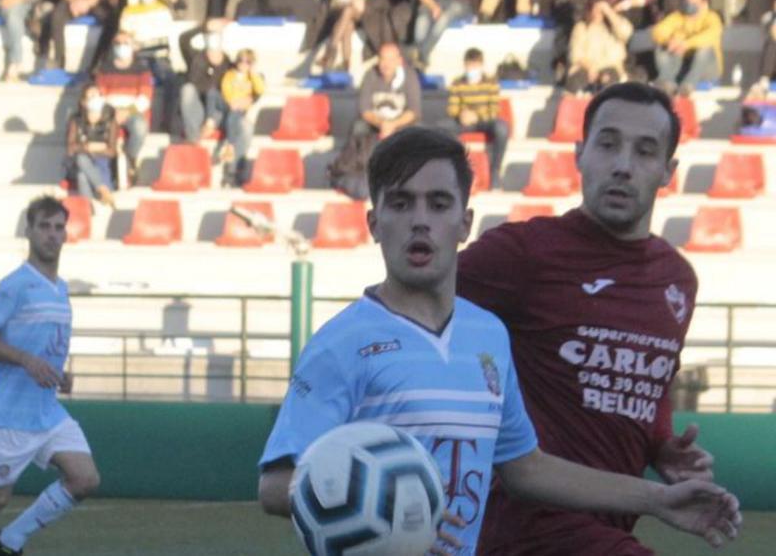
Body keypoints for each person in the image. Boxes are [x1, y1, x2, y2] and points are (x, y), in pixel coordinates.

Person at [257, 126, 743, 556]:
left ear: (465, 225)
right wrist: (383, 511)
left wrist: (657, 500)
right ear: (374, 224)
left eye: (439, 203)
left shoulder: (487, 334)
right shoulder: (342, 342)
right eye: (401, 203)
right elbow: (275, 484)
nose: (420, 220)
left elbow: (526, 468)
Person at [457, 82, 735, 555]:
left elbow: (651, 391)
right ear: (580, 153)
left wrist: (661, 446)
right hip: (525, 529)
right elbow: (412, 306)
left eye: (645, 152)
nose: (623, 165)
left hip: (611, 528)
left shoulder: (677, 281)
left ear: (669, 171)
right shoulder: (522, 253)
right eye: (608, 144)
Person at [0, 196, 100, 556]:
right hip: (11, 415)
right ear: (29, 232)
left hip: (47, 410)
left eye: (59, 227)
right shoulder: (15, 284)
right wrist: (25, 360)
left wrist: (60, 373)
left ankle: (10, 541)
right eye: (44, 226)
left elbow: (45, 344)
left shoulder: (61, 288)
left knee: (84, 478)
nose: (52, 235)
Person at [328, 42, 420, 200]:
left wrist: (393, 124)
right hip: (375, 124)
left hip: (400, 124)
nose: (385, 64)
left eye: (390, 60)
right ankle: (354, 164)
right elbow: (364, 110)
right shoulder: (370, 75)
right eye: (382, 59)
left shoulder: (410, 77)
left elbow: (413, 111)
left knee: (419, 135)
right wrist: (381, 123)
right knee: (358, 127)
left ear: (399, 61)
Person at [441, 48, 508, 189]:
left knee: (502, 128)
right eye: (469, 65)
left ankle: (495, 172)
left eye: (475, 65)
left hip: (485, 121)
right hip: (464, 121)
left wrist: (477, 116)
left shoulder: (491, 82)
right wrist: (461, 115)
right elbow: (452, 108)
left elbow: (494, 109)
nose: (472, 69)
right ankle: (452, 170)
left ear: (481, 65)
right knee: (442, 128)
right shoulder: (457, 82)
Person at [94, 32, 151, 185]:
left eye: (125, 43)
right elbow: (99, 95)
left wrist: (128, 111)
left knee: (140, 127)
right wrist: (113, 112)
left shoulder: (142, 70)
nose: (121, 47)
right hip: (110, 111)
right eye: (117, 43)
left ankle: (130, 159)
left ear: (132, 46)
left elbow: (145, 98)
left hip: (133, 111)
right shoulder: (104, 69)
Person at [650, 0, 722, 93]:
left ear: (704, 3)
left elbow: (711, 34)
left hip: (707, 68)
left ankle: (689, 85)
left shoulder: (712, 18)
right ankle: (667, 81)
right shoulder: (678, 17)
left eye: (694, 2)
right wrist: (669, 41)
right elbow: (658, 31)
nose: (690, 5)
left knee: (705, 49)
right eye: (688, 2)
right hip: (682, 65)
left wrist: (686, 44)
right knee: (662, 47)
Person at [566, 0, 635, 94]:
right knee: (575, 83)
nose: (597, 13)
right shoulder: (581, 27)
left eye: (600, 10)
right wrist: (590, 67)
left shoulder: (616, 26)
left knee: (609, 84)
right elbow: (576, 54)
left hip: (612, 69)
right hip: (587, 69)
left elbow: (626, 33)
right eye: (594, 9)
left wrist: (608, 12)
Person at [65, 84, 118, 208]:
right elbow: (71, 148)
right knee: (81, 159)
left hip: (101, 162)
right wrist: (89, 147)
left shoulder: (110, 120)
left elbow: (112, 151)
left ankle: (87, 209)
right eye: (90, 97)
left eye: (97, 95)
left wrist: (98, 150)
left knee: (82, 175)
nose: (94, 99)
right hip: (78, 162)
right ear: (83, 102)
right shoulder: (76, 120)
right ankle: (103, 190)